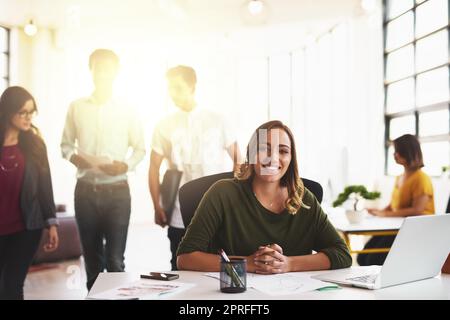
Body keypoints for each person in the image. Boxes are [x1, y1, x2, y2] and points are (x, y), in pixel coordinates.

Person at [177, 120, 352, 273]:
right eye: (264, 149)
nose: (273, 158)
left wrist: (288, 264)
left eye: (283, 151)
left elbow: (342, 254)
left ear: (291, 159)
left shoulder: (303, 199)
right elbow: (185, 258)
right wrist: (248, 263)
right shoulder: (223, 193)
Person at [61, 49, 145, 290]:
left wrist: (125, 165)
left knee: (115, 261)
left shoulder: (128, 108)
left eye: (108, 68)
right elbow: (65, 145)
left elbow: (140, 149)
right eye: (98, 68)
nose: (102, 73)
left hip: (118, 192)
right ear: (90, 70)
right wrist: (75, 158)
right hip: (85, 191)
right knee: (92, 262)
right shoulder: (76, 107)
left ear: (116, 72)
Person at [149, 65, 241, 271]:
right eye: (170, 89)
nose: (173, 94)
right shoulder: (163, 125)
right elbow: (153, 167)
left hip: (216, 210)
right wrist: (157, 205)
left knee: (221, 269)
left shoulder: (218, 120)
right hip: (178, 212)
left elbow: (239, 161)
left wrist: (235, 200)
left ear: (192, 87)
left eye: (178, 88)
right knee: (179, 266)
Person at [0, 86, 59, 299]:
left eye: (31, 112)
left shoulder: (35, 145)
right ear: (8, 111)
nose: (28, 117)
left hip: (26, 228)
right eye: (22, 112)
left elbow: (45, 185)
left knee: (12, 285)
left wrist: (51, 223)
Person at [357, 134, 435, 266]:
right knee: (362, 258)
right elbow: (395, 204)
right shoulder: (400, 177)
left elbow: (417, 210)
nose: (394, 155)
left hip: (414, 229)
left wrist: (385, 214)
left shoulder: (422, 179)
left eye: (397, 151)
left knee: (372, 260)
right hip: (397, 226)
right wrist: (379, 211)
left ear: (408, 153)